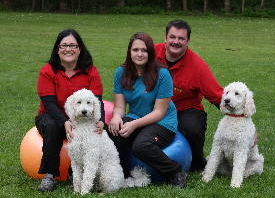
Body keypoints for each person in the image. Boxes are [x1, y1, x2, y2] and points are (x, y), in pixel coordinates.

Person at [108, 32, 187, 188]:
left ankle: (176, 171)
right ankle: (121, 173)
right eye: (135, 50)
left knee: (141, 146)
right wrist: (116, 117)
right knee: (113, 130)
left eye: (144, 50)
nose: (140, 54)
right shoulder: (121, 72)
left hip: (163, 122)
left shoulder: (162, 74)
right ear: (129, 52)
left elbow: (159, 112)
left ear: (150, 52)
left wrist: (134, 124)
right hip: (136, 117)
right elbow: (119, 106)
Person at [35, 29, 105, 192]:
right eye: (64, 45)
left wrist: (101, 122)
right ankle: (50, 175)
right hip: (50, 115)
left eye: (73, 45)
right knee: (53, 126)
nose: (68, 49)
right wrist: (64, 122)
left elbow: (97, 100)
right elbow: (49, 104)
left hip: (83, 118)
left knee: (99, 131)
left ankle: (79, 172)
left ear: (80, 49)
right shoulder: (47, 71)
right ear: (57, 49)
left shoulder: (90, 71)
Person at [154, 19, 224, 171]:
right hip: (153, 108)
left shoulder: (198, 66)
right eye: (172, 37)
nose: (176, 42)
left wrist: (243, 121)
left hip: (184, 109)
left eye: (181, 38)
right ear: (165, 37)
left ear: (188, 41)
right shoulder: (149, 53)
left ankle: (197, 163)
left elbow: (219, 98)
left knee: (192, 129)